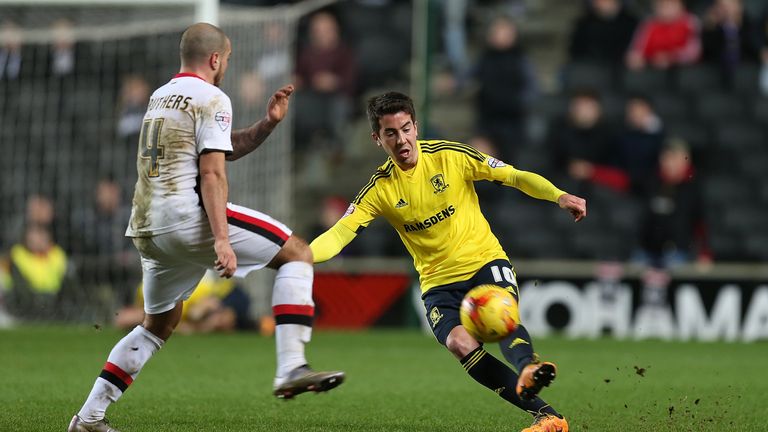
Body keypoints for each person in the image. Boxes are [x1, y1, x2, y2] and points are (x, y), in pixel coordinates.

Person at [68, 23, 344, 432]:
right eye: (227, 59)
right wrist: (220, 240)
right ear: (216, 59)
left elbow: (219, 147)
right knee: (297, 253)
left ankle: (88, 417)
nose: (226, 66)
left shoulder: (161, 96)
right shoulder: (212, 96)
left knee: (157, 324)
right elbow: (212, 173)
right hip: (187, 217)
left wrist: (266, 125)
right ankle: (291, 367)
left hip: (147, 226)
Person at [310, 92, 586, 432]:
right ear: (376, 139)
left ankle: (528, 366)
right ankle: (549, 418)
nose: (401, 140)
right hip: (438, 282)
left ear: (416, 126)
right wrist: (304, 258)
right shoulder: (380, 189)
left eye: (406, 128)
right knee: (459, 343)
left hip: (484, 261)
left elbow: (513, 176)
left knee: (497, 313)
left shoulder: (450, 156)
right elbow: (339, 234)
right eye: (390, 133)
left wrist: (559, 195)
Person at [625, 0, 701, 70]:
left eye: (671, 5)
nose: (667, 10)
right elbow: (637, 49)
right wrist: (638, 58)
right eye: (662, 6)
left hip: (685, 70)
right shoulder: (649, 25)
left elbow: (694, 52)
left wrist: (671, 57)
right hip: (653, 70)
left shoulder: (690, 22)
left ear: (681, 6)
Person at [568, 0, 639, 64]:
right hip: (591, 66)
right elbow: (576, 50)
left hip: (620, 68)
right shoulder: (585, 23)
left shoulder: (631, 23)